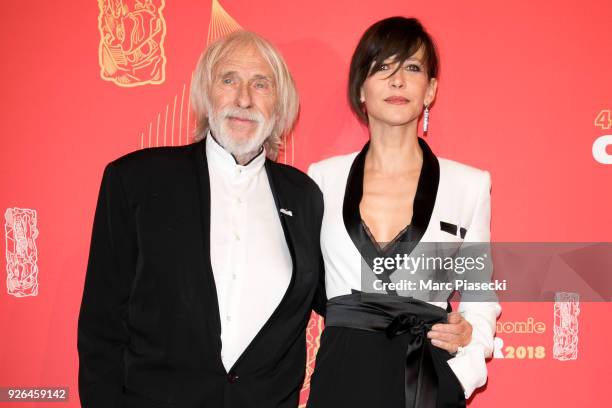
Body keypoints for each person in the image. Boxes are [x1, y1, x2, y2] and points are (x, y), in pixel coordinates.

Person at [78, 31, 327, 408]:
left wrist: (434, 307)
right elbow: (101, 325)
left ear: (280, 103)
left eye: (261, 84)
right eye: (229, 80)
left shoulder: (305, 196)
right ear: (205, 93)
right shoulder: (136, 181)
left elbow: (345, 298)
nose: (244, 99)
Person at [306, 17, 501, 407]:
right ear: (361, 88)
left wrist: (468, 362)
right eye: (382, 68)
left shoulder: (469, 185)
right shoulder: (322, 179)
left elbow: (480, 294)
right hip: (342, 373)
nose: (397, 81)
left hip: (427, 378)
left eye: (412, 68)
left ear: (430, 90)